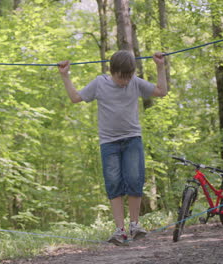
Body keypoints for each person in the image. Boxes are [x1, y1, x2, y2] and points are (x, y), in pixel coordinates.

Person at [57, 50, 167, 245]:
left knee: (135, 179)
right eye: (121, 77)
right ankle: (119, 230)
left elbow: (161, 91)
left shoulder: (134, 82)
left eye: (128, 76)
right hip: (109, 142)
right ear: (111, 70)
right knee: (113, 183)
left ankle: (135, 225)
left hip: (132, 139)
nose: (125, 81)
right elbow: (75, 97)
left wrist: (160, 66)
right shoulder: (100, 83)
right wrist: (65, 75)